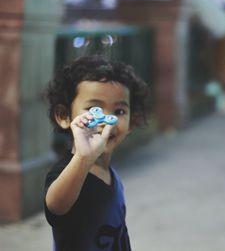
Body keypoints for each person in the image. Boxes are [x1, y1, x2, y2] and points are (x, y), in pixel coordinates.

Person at [44, 55, 149, 251]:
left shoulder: (111, 175)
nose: (107, 120)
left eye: (119, 112)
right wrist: (83, 158)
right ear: (64, 116)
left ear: (131, 122)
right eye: (94, 109)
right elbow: (56, 208)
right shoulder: (69, 173)